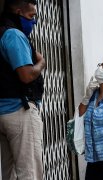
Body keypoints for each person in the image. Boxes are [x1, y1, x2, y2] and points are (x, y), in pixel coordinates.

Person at [0, 0, 45, 179]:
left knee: (8, 174)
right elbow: (26, 75)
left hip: (3, 112)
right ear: (19, 12)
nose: (33, 22)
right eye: (31, 16)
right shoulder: (14, 35)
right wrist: (41, 63)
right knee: (29, 173)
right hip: (19, 111)